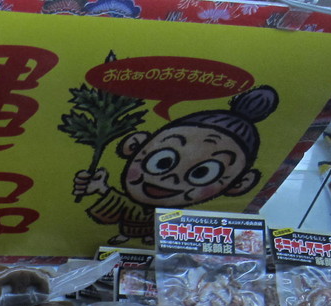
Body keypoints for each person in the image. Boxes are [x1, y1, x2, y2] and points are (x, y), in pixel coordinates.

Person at [73, 85, 279, 244]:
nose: (171, 178)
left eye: (202, 173)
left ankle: (149, 237)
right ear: (134, 145)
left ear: (240, 183)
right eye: (162, 162)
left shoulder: (189, 219)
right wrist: (99, 187)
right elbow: (118, 203)